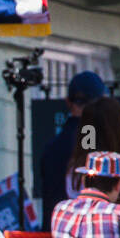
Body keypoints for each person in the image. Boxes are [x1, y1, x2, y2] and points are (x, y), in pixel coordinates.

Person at [39, 70, 106, 222]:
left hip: (54, 233)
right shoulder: (91, 137)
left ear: (68, 102)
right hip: (85, 231)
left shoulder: (52, 146)